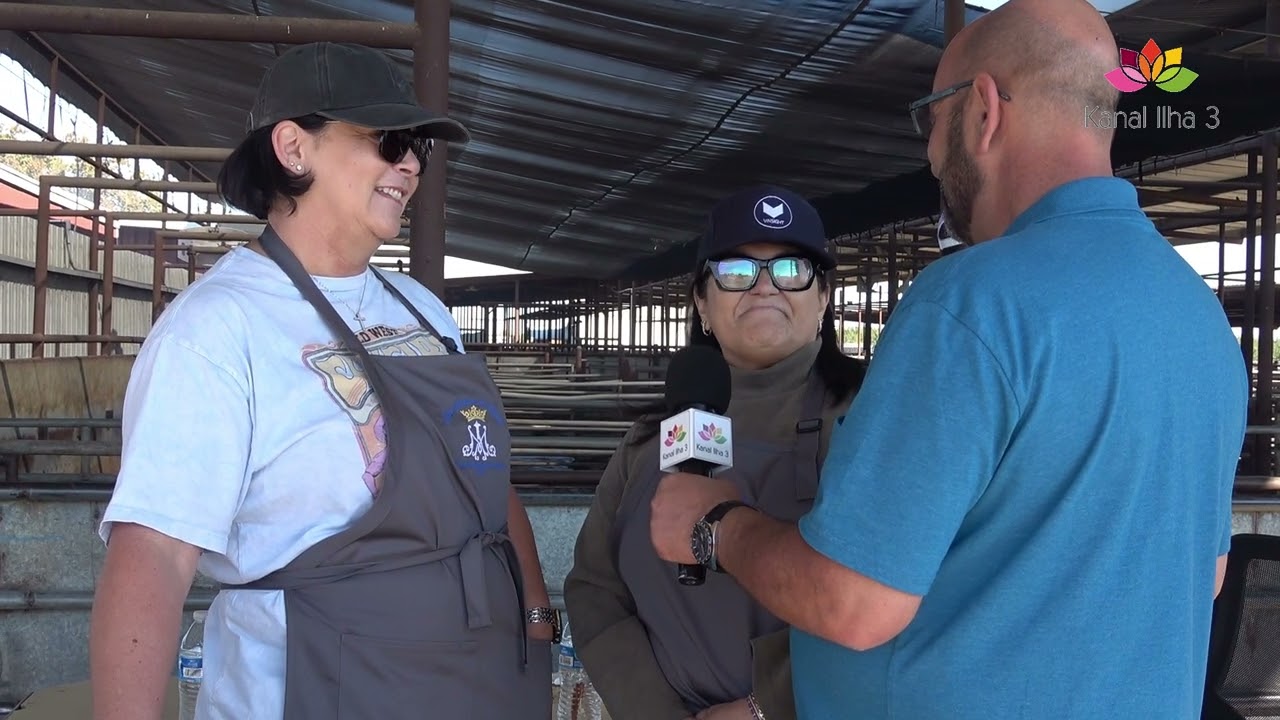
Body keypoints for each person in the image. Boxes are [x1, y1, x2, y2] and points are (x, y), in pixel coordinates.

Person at [648, 0, 1249, 718]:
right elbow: (1203, 573)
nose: (931, 154)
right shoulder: (1197, 316)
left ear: (983, 111)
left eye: (930, 119)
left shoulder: (971, 302)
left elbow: (853, 603)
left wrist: (716, 523)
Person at [89, 42, 555, 720]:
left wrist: (536, 620)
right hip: (319, 688)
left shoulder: (421, 310)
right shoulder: (219, 328)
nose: (410, 164)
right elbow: (153, 556)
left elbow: (483, 477)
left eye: (418, 147)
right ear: (292, 147)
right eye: (388, 140)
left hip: (475, 684)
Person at [564, 185, 866, 720]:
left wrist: (764, 707)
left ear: (822, 297)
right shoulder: (646, 441)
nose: (764, 288)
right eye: (736, 271)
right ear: (702, 302)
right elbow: (593, 589)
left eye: (791, 269)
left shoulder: (872, 420)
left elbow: (897, 593)